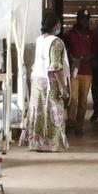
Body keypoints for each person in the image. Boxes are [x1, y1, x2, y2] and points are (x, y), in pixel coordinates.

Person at [22, 11, 70, 152]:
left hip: (37, 81)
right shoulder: (56, 42)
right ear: (56, 25)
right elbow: (55, 67)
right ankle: (53, 144)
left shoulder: (40, 39)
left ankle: (37, 143)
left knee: (39, 111)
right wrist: (63, 87)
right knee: (54, 111)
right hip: (51, 82)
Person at [63, 8, 98, 134]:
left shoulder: (92, 35)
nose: (84, 21)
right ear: (78, 19)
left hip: (87, 71)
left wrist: (88, 57)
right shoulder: (69, 34)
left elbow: (96, 52)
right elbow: (63, 51)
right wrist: (70, 57)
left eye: (86, 19)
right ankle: (70, 123)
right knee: (73, 99)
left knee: (83, 100)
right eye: (82, 18)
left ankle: (79, 126)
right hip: (74, 70)